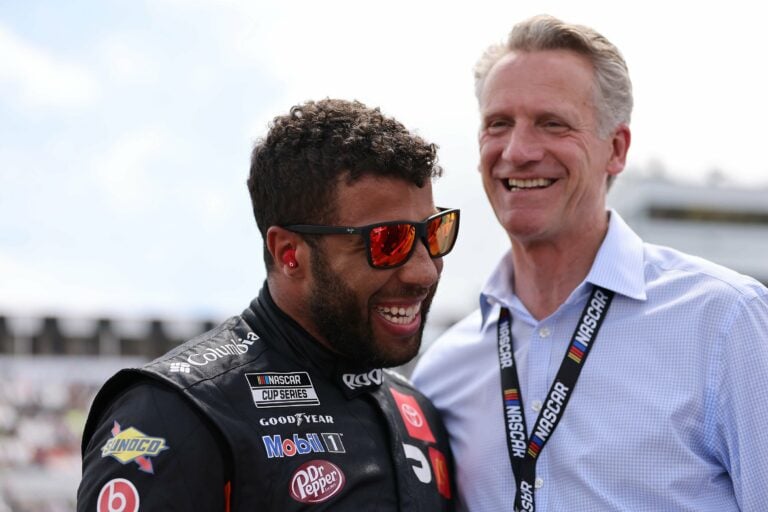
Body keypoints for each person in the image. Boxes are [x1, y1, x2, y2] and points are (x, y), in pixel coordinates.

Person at [412, 14, 768, 512]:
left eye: (552, 123)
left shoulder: (726, 325)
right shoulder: (442, 372)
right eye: (499, 124)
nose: (518, 151)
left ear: (616, 150)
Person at [77, 98, 459, 511]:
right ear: (289, 253)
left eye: (434, 232)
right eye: (389, 242)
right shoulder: (176, 412)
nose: (425, 272)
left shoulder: (419, 411)